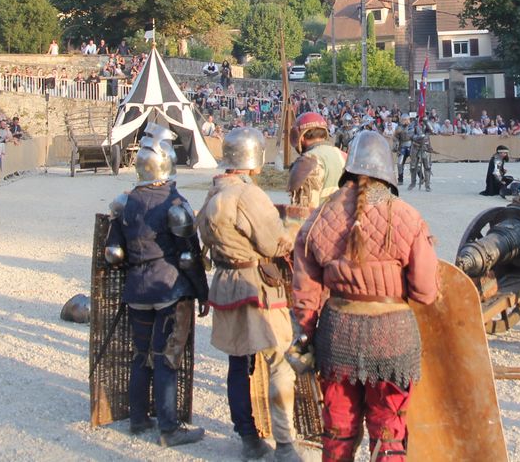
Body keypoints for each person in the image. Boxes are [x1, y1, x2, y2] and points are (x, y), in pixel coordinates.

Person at [292, 131, 439, 461]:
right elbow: (426, 291)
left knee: (338, 428)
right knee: (388, 428)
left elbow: (305, 288)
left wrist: (304, 332)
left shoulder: (321, 216)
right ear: (387, 170)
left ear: (349, 165)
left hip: (337, 331)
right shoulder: (406, 216)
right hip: (392, 336)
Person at [196, 127, 303, 462]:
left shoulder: (212, 193)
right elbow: (274, 241)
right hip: (255, 285)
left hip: (226, 284)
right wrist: (291, 238)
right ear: (253, 157)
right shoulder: (247, 195)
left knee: (238, 364)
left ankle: (248, 438)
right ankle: (285, 445)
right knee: (280, 361)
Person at [103, 124, 209, 447]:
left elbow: (113, 253)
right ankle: (169, 428)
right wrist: (202, 292)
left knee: (140, 354)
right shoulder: (175, 204)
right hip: (167, 290)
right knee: (164, 357)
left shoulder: (125, 202)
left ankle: (137, 419)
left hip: (137, 291)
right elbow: (189, 257)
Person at [288, 112, 346, 210]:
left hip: (319, 222)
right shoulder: (344, 156)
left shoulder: (306, 162)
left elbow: (303, 212)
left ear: (301, 138)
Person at [407, 117, 433, 192]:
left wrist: (427, 122)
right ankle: (413, 183)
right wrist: (418, 137)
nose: (422, 122)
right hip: (415, 147)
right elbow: (410, 135)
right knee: (413, 166)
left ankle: (427, 185)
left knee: (427, 167)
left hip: (424, 147)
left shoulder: (427, 125)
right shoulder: (414, 125)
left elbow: (432, 131)